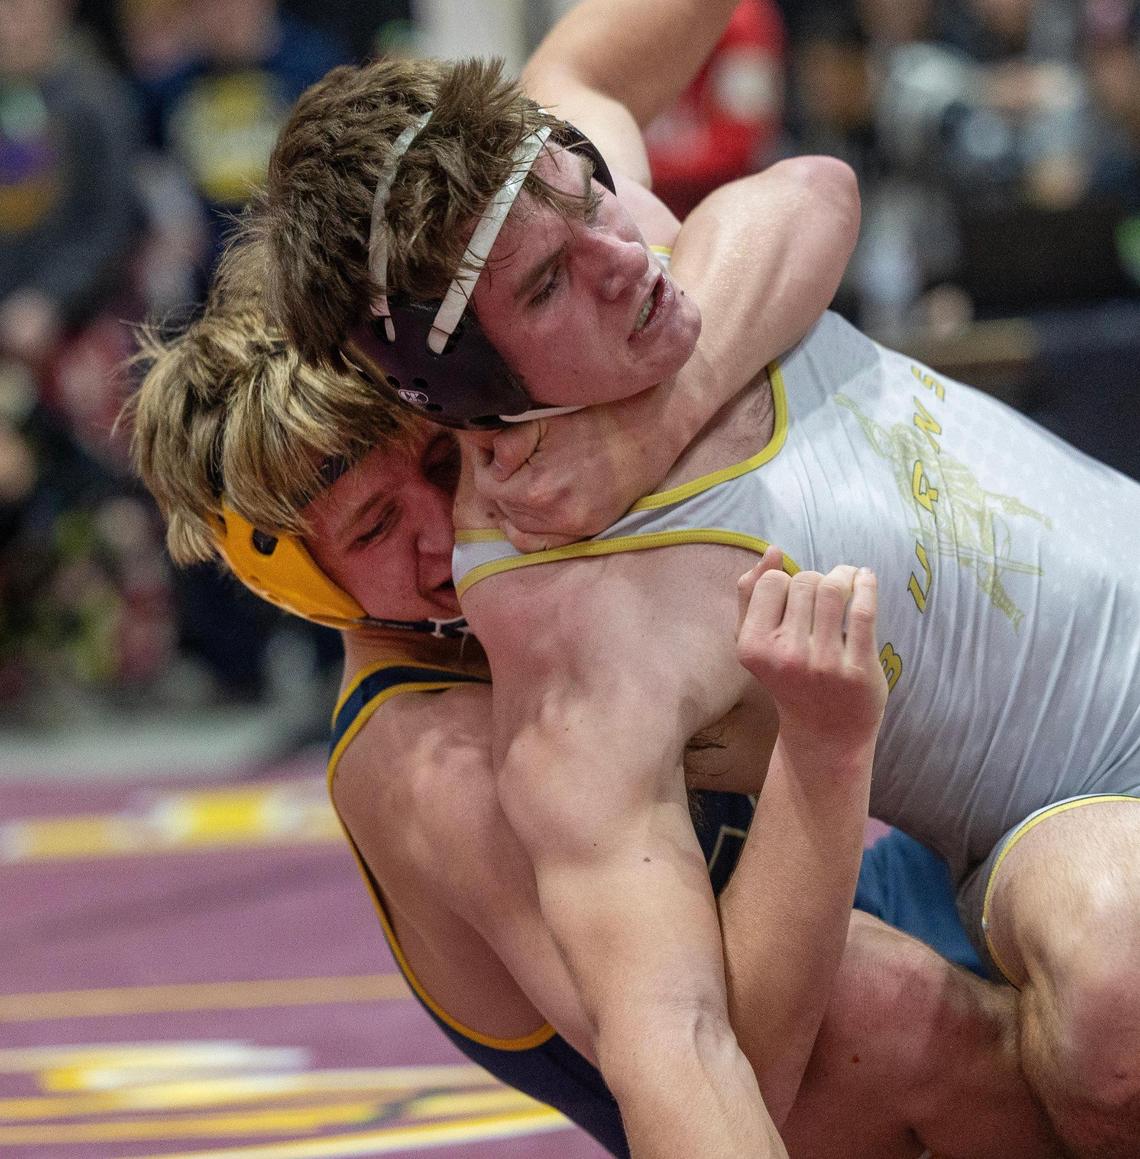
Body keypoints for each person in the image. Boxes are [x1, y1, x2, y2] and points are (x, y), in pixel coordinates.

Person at [262, 0, 1140, 1154]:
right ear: (456, 389)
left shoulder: (566, 228)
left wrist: (657, 415)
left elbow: (805, 182)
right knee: (1116, 994)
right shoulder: (572, 629)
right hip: (1085, 798)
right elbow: (681, 1046)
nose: (626, 260)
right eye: (545, 290)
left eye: (589, 198)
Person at [128, 232, 1058, 1159]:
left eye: (444, 467)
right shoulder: (431, 767)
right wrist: (818, 748)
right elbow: (726, 1065)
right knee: (888, 1002)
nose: (443, 532)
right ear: (304, 582)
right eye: (376, 528)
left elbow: (798, 202)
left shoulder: (532, 483)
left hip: (833, 911)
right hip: (756, 1071)